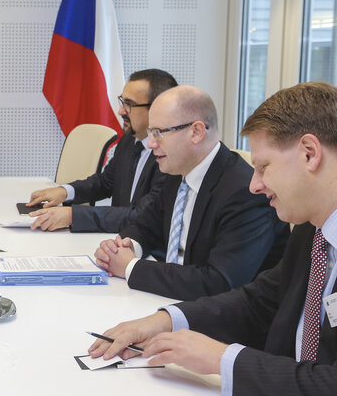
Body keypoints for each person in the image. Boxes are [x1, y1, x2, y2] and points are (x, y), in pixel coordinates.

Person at [89, 82, 337, 395]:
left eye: (263, 167)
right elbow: (258, 301)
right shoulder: (312, 232)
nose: (255, 185)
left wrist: (223, 359)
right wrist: (166, 320)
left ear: (310, 154)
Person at [93, 85, 288, 300]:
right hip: (174, 301)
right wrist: (127, 246)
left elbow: (218, 283)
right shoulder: (178, 172)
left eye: (158, 133)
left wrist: (130, 267)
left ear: (196, 132)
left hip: (223, 323)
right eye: (150, 133)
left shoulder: (245, 192)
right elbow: (146, 226)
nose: (150, 143)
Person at [28, 69, 177, 233]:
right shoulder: (129, 140)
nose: (120, 111)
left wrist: (72, 216)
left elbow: (142, 214)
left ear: (157, 108)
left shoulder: (172, 156)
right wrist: (64, 191)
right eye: (122, 102)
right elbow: (106, 182)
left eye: (129, 105)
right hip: (117, 241)